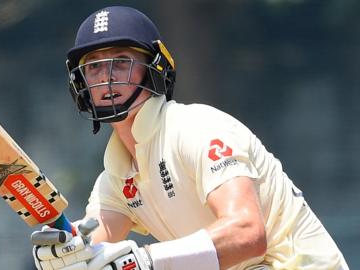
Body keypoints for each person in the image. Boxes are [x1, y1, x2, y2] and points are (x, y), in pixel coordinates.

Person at [31, 6, 349, 270]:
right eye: (95, 67)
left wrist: (147, 260)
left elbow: (248, 233)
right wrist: (68, 251)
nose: (107, 77)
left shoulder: (196, 128)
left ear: (154, 68)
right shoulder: (115, 178)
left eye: (122, 62)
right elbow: (94, 244)